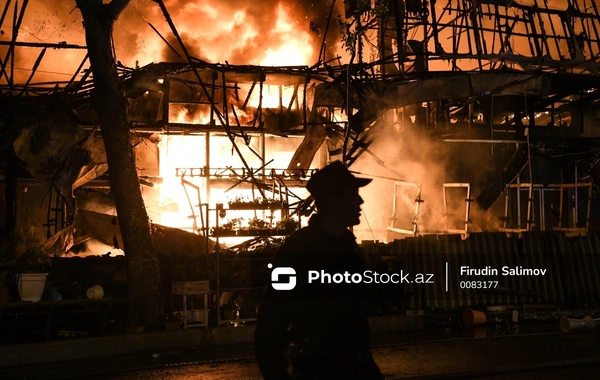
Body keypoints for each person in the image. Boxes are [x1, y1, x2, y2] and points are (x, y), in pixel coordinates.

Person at [255, 161, 383, 379]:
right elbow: (270, 326)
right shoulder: (297, 252)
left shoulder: (348, 247)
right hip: (318, 370)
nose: (360, 201)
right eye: (353, 194)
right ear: (334, 201)